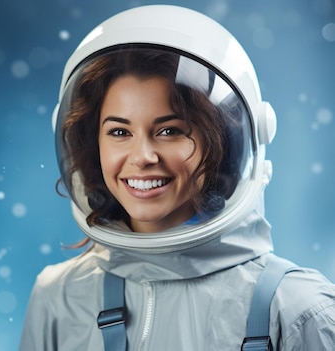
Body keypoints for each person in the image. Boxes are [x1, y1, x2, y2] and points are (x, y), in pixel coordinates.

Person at [20, 5, 335, 351]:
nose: (142, 157)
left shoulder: (296, 310)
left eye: (169, 130)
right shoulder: (58, 299)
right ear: (90, 143)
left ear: (221, 142)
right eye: (119, 132)